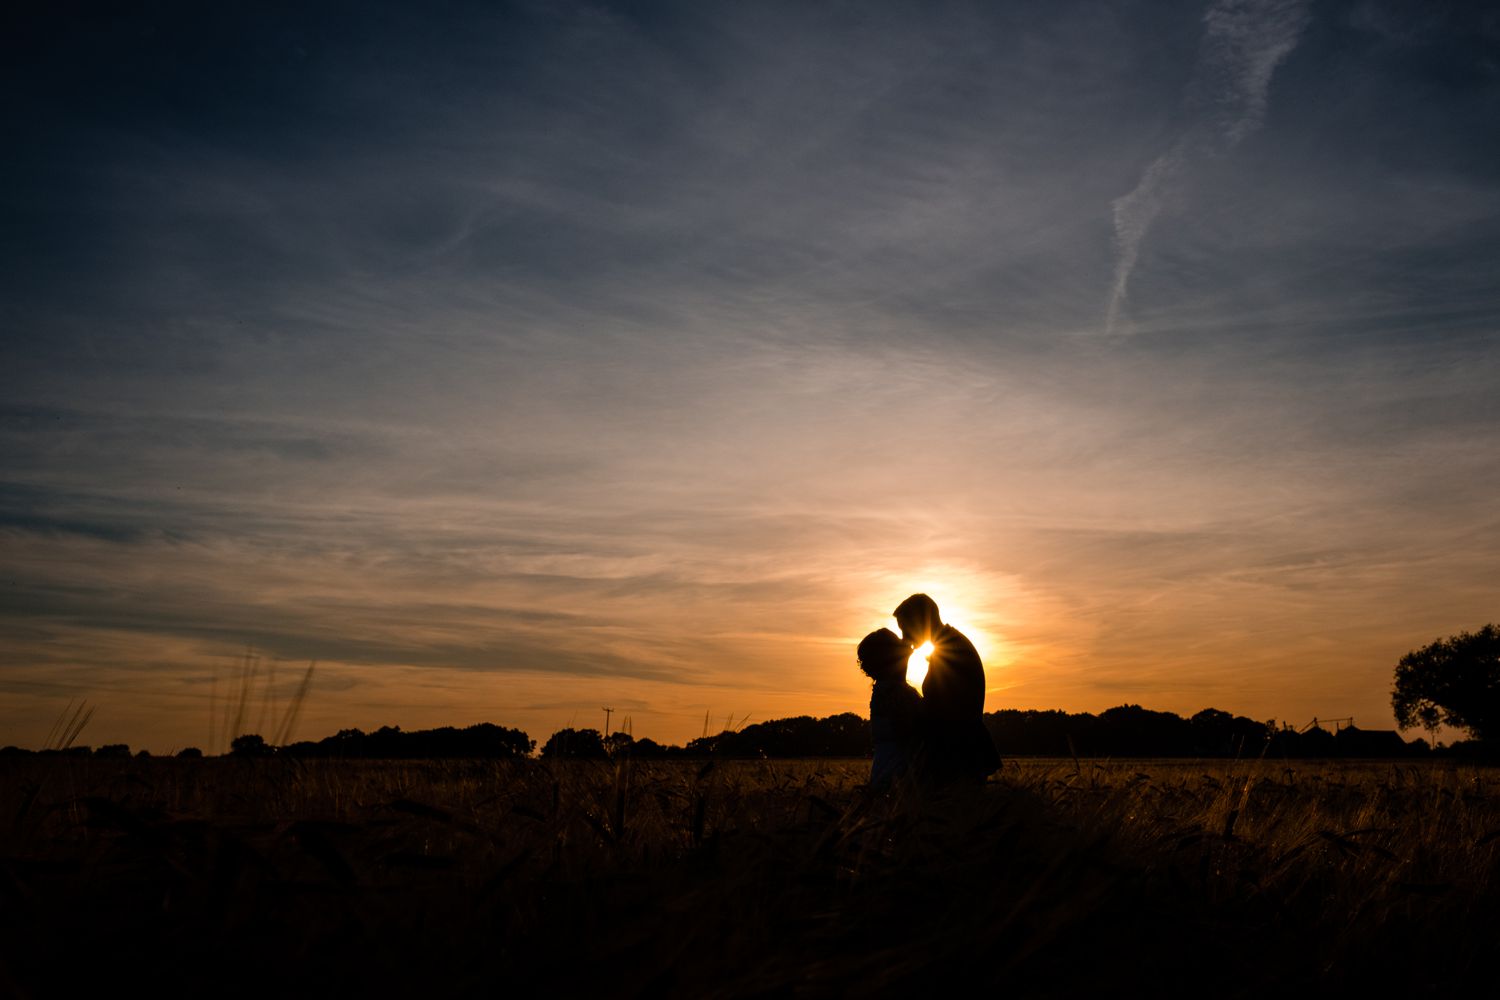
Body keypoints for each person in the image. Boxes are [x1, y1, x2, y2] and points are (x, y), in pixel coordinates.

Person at [893, 593, 1000, 784]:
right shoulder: (949, 644)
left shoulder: (950, 649)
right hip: (962, 751)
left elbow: (939, 708)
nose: (904, 637)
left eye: (905, 628)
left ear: (920, 622)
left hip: (958, 756)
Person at [857, 628, 925, 790]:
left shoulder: (884, 689)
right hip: (899, 777)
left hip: (885, 773)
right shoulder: (894, 693)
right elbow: (910, 734)